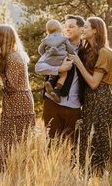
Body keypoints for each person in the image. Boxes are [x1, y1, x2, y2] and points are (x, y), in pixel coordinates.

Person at [68, 17, 112, 176]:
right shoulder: (86, 51)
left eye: (85, 27)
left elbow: (94, 83)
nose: (82, 30)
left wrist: (78, 63)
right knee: (88, 139)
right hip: (89, 100)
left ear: (95, 30)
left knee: (102, 140)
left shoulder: (105, 52)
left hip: (102, 99)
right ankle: (88, 179)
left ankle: (107, 182)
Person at [0, 25, 35, 167]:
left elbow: (11, 86)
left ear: (2, 38)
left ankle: (10, 171)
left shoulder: (13, 57)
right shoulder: (9, 55)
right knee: (9, 138)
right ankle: (6, 171)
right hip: (14, 102)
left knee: (14, 140)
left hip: (19, 103)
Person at [35, 15, 85, 146]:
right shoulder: (57, 44)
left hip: (74, 105)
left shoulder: (86, 50)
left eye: (71, 26)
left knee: (73, 146)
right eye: (65, 26)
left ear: (81, 30)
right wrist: (59, 68)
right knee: (52, 145)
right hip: (52, 104)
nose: (67, 29)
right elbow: (39, 67)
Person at [37, 19, 75, 103]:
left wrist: (45, 54)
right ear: (59, 28)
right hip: (61, 60)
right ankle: (57, 89)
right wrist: (71, 54)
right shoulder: (64, 38)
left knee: (53, 71)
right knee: (63, 74)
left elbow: (40, 49)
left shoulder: (46, 39)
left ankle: (50, 81)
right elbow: (70, 49)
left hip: (50, 60)